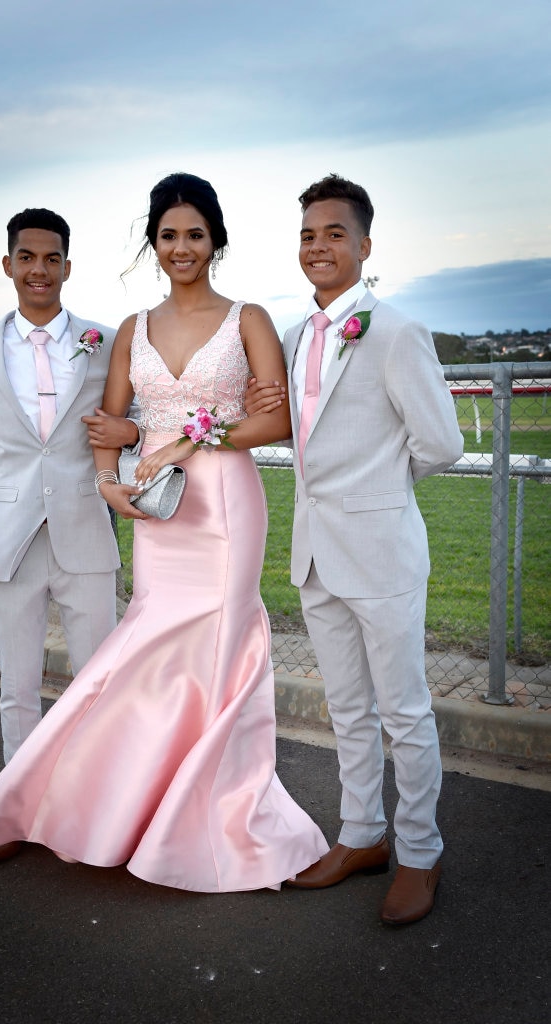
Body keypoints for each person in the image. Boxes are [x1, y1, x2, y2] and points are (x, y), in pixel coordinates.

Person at [0, 173, 328, 892]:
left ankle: (208, 815)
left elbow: (276, 422)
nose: (180, 248)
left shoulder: (247, 318)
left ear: (214, 240)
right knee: (149, 655)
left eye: (193, 234)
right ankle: (123, 806)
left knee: (219, 653)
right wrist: (108, 480)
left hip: (224, 508)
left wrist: (190, 437)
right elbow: (107, 421)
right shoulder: (129, 330)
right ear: (152, 245)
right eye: (167, 236)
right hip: (158, 512)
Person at [248, 174, 463, 923]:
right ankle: (362, 834)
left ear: (364, 246)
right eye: (308, 234)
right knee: (345, 707)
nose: (317, 246)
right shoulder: (294, 334)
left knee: (403, 710)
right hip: (314, 551)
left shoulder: (397, 331)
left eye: (333, 233)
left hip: (380, 549)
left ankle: (419, 852)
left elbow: (441, 442)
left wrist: (377, 488)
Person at [0, 208, 138, 784]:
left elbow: (134, 422)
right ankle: (17, 807)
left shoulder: (101, 342)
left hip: (86, 533)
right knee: (17, 688)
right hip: (11, 539)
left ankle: (93, 807)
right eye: (26, 257)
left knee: (96, 684)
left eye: (51, 258)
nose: (39, 270)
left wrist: (132, 436)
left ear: (67, 266)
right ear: (8, 264)